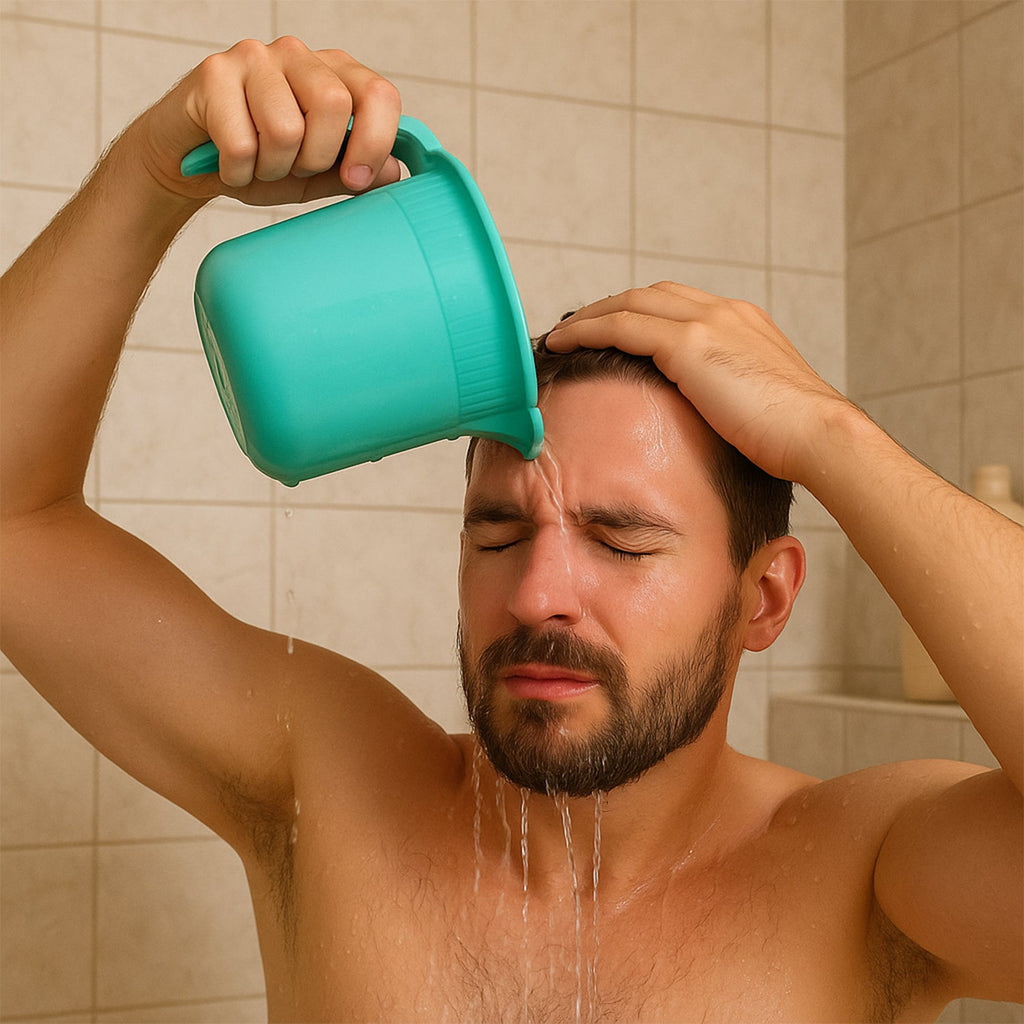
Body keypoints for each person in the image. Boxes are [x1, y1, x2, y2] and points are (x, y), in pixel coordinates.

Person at [1, 37, 1020, 1023]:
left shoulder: (862, 877)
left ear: (763, 598)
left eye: (622, 543)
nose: (535, 595)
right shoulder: (333, 785)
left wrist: (833, 435)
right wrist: (150, 173)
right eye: (497, 534)